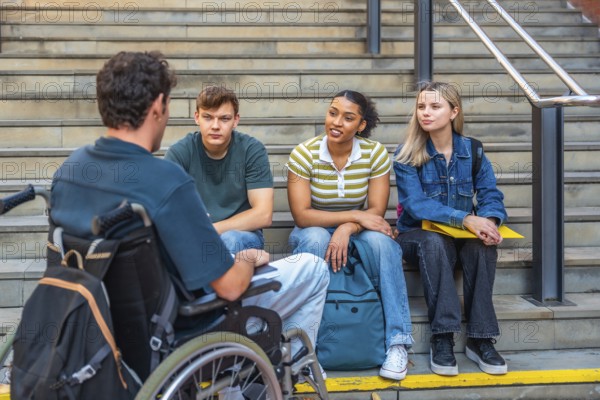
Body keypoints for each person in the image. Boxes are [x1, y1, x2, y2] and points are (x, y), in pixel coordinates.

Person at [49, 51, 329, 369]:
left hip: (101, 320)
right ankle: (283, 366)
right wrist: (249, 258)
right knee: (314, 269)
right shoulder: (167, 181)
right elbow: (231, 286)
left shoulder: (70, 171)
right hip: (184, 324)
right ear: (158, 107)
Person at [286, 89, 413, 381]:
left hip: (359, 232)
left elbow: (377, 210)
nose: (337, 122)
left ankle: (398, 342)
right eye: (333, 113)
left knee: (385, 246)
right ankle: (302, 347)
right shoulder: (304, 153)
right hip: (313, 228)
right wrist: (354, 215)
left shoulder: (374, 153)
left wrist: (348, 227)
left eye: (348, 117)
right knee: (316, 239)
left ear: (361, 125)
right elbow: (302, 215)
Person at [393, 81, 508, 376]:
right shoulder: (406, 153)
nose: (425, 113)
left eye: (435, 106)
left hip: (457, 236)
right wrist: (466, 219)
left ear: (454, 111)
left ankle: (480, 338)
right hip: (415, 236)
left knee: (482, 244)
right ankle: (442, 336)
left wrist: (490, 221)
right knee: (433, 241)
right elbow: (416, 206)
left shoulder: (473, 151)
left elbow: (490, 194)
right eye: (421, 107)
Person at [165, 86, 273, 253]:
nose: (215, 126)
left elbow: (263, 214)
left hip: (242, 235)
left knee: (229, 240)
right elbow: (168, 208)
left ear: (235, 120)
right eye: (208, 117)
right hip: (194, 235)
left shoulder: (252, 150)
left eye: (224, 119)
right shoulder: (180, 153)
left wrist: (210, 230)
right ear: (196, 117)